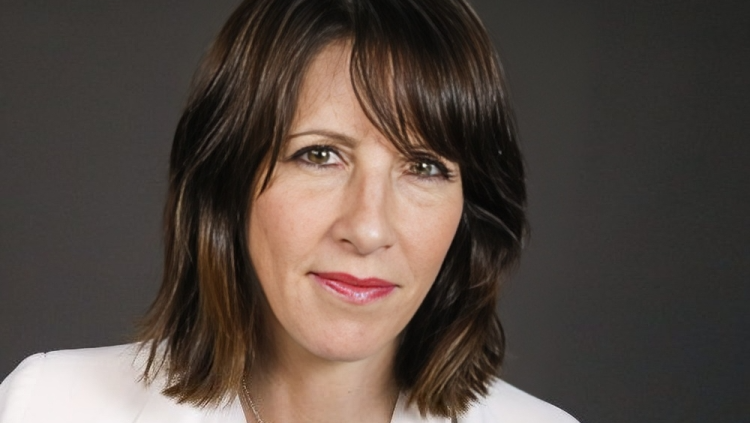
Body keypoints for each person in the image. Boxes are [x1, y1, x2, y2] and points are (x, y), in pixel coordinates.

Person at [0, 0, 578, 422]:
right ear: (226, 179)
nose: (368, 228)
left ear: (470, 210)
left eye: (424, 167)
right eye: (319, 155)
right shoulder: (46, 406)